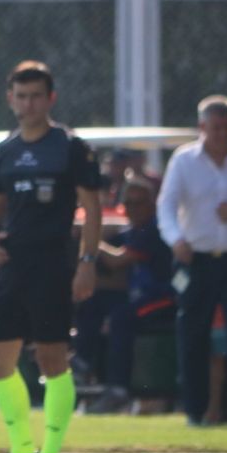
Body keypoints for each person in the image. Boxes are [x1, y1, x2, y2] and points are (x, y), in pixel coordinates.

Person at [0, 60, 102, 453]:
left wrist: (87, 262)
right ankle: (19, 449)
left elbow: (92, 208)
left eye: (36, 96)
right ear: (9, 99)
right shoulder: (5, 151)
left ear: (50, 98)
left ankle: (49, 452)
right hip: (13, 265)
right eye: (21, 96)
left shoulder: (70, 147)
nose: (28, 104)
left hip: (53, 264)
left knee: (52, 360)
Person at [157, 95, 227, 427]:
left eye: (226, 127)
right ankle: (196, 409)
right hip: (197, 259)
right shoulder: (184, 160)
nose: (220, 134)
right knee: (193, 332)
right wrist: (176, 240)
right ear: (202, 127)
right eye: (214, 127)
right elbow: (166, 207)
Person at [86, 176, 176, 413]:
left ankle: (119, 389)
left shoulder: (154, 229)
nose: (134, 209)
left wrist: (90, 239)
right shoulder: (134, 230)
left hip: (165, 297)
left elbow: (118, 261)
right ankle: (85, 366)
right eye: (129, 203)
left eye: (140, 203)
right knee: (94, 302)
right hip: (141, 296)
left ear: (152, 203)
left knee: (121, 318)